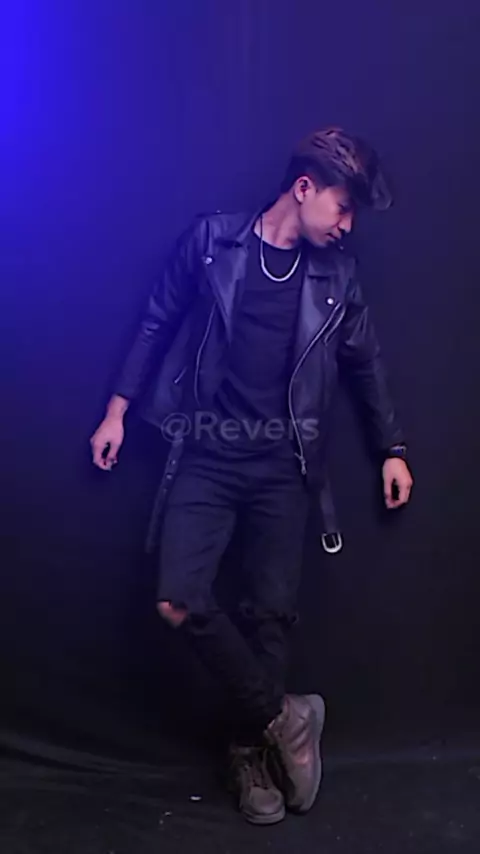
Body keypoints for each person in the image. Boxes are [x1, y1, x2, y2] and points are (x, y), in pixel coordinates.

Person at [90, 127, 413, 825]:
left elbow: (365, 362)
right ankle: (285, 718)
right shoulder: (212, 243)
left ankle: (247, 754)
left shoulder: (337, 275)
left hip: (284, 465)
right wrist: (116, 411)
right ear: (304, 187)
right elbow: (156, 320)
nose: (347, 225)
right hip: (206, 454)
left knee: (268, 618)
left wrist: (392, 447)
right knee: (178, 598)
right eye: (343, 207)